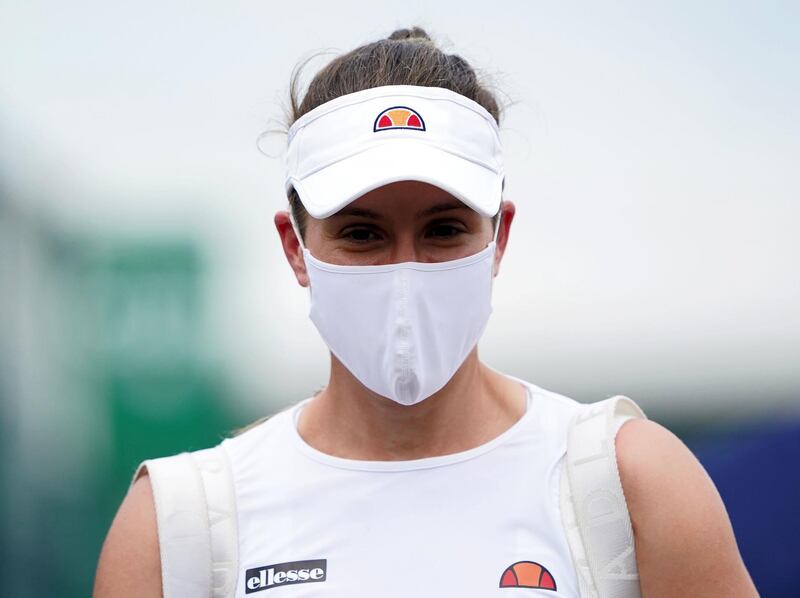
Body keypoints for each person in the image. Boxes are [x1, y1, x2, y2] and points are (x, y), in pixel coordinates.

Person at [93, 26, 759, 598]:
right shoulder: (178, 525)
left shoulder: (629, 485)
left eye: (443, 231)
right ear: (295, 248)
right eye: (362, 233)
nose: (404, 271)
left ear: (499, 239)